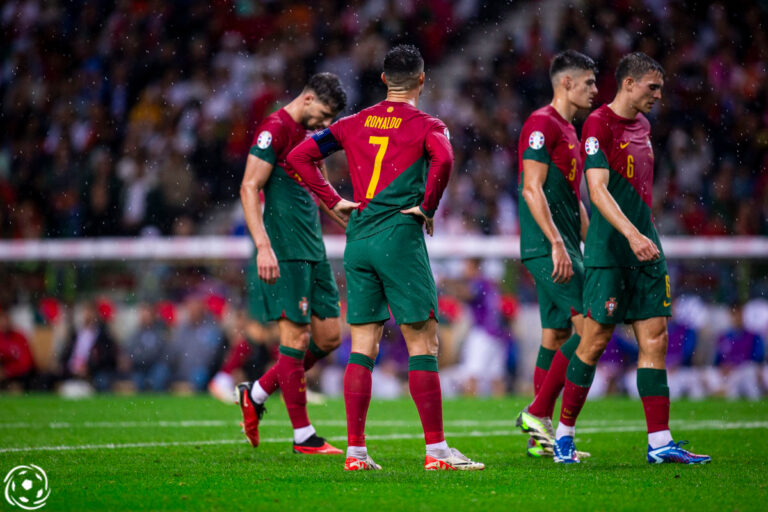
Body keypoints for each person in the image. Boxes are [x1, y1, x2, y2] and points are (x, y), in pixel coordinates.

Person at [288, 44, 484, 471]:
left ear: (382, 80)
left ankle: (355, 452)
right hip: (399, 234)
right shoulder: (428, 124)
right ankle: (436, 451)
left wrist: (333, 200)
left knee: (363, 345)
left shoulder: (352, 123)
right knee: (423, 342)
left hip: (358, 237)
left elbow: (299, 155)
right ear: (421, 80)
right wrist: (428, 206)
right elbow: (445, 159)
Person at [551, 52, 710, 464]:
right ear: (628, 84)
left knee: (654, 339)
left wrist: (644, 234)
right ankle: (564, 435)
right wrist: (631, 233)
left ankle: (659, 443)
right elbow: (597, 189)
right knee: (594, 341)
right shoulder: (598, 124)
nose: (658, 94)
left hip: (646, 249)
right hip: (611, 251)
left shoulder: (644, 126)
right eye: (652, 87)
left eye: (659, 87)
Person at [236, 73, 348, 455]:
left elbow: (322, 191)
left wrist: (355, 222)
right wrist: (262, 246)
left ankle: (257, 391)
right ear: (308, 98)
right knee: (296, 339)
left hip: (313, 250)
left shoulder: (315, 138)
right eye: (326, 114)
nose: (328, 124)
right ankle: (304, 436)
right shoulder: (274, 128)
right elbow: (249, 186)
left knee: (330, 336)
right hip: (283, 251)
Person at [512, 50, 597, 457]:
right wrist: (557, 244)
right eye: (589, 83)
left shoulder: (569, 130)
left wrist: (593, 243)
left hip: (564, 246)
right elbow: (532, 188)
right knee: (590, 331)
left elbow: (574, 199)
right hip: (548, 247)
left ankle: (538, 439)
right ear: (566, 83)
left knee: (557, 334)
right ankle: (539, 412)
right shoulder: (541, 123)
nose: (596, 91)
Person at [0, 306, 36, 390]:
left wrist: (7, 371)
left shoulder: (19, 337)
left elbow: (26, 362)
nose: (3, 322)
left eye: (4, 318)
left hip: (19, 376)